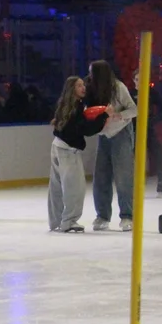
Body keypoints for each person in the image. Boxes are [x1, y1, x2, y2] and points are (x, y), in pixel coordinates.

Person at [47, 77, 108, 233]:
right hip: (68, 150)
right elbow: (85, 129)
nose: (83, 88)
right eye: (79, 85)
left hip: (57, 146)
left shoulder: (64, 104)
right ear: (72, 88)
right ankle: (69, 221)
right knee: (75, 187)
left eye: (83, 85)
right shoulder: (76, 106)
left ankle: (56, 221)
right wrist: (104, 116)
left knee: (56, 187)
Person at [87, 60, 136, 231]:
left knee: (123, 177)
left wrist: (118, 115)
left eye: (92, 72)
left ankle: (128, 216)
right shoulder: (92, 89)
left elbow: (134, 109)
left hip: (121, 133)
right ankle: (102, 216)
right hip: (104, 135)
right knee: (101, 177)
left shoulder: (118, 87)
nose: (90, 76)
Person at [131, 70, 162, 196]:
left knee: (158, 152)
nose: (140, 82)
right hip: (133, 130)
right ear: (134, 80)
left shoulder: (151, 92)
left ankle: (161, 184)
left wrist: (154, 120)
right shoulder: (130, 94)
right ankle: (134, 186)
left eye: (142, 79)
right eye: (137, 79)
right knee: (134, 158)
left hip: (148, 128)